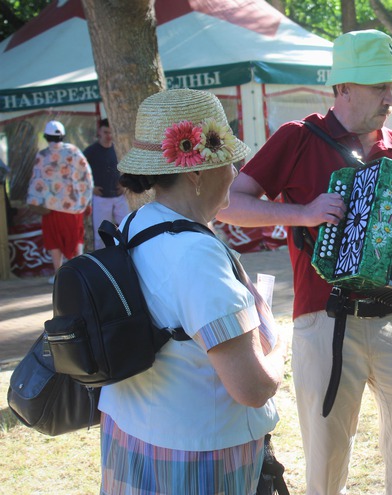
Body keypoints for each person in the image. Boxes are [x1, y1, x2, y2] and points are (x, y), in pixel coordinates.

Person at [218, 29, 392, 494]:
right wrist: (302, 212)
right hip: (325, 319)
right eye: (381, 86)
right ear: (343, 88)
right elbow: (228, 204)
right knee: (326, 460)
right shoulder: (297, 138)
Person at [98, 89, 288, 494]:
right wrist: (280, 347)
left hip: (134, 436)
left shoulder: (138, 224)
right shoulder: (197, 256)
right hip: (196, 458)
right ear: (197, 173)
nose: (236, 174)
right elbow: (252, 389)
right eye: (229, 163)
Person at [26, 120, 93, 283]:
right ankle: (81, 273)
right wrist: (85, 200)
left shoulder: (42, 156)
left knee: (53, 240)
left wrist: (35, 200)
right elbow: (86, 176)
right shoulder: (74, 151)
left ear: (46, 136)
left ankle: (59, 274)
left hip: (50, 208)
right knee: (76, 239)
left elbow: (36, 180)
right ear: (62, 135)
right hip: (73, 207)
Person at [84, 118, 130, 249]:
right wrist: (90, 188)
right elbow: (79, 172)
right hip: (101, 198)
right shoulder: (90, 151)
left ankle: (127, 255)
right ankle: (102, 263)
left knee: (126, 227)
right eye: (105, 132)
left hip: (120, 197)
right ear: (99, 131)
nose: (108, 136)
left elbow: (127, 167)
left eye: (110, 132)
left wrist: (124, 184)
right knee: (101, 233)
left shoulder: (119, 149)